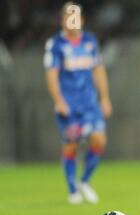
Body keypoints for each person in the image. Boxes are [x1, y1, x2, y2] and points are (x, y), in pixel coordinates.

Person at [44, 2, 112, 204]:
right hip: (69, 106)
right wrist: (59, 101)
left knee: (99, 140)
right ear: (63, 20)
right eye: (68, 16)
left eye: (76, 16)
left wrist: (105, 97)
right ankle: (72, 189)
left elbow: (98, 70)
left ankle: (84, 181)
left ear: (81, 20)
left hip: (90, 104)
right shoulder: (56, 44)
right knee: (71, 145)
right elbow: (52, 75)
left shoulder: (90, 41)